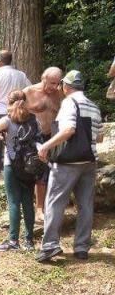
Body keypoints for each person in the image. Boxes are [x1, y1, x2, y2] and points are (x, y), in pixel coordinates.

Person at [36, 70, 103, 263]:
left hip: (67, 162)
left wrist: (46, 146)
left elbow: (68, 129)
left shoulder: (69, 103)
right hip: (89, 162)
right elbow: (99, 136)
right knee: (85, 205)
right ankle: (82, 247)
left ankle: (50, 246)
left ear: (66, 86)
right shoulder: (94, 106)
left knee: (55, 202)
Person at [0, 90, 40, 251]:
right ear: (25, 101)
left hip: (12, 164)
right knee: (28, 202)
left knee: (13, 202)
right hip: (30, 165)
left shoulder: (8, 120)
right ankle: (29, 241)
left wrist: (0, 137)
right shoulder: (33, 118)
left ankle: (13, 241)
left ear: (8, 102)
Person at [24, 67, 63, 219]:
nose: (54, 87)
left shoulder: (60, 93)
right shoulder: (29, 91)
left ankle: (44, 206)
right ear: (43, 78)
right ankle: (36, 207)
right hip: (32, 137)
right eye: (51, 83)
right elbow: (12, 109)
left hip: (52, 136)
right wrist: (32, 108)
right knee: (34, 172)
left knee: (49, 173)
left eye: (57, 83)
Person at [0, 50, 31, 183]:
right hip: (18, 112)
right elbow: (29, 89)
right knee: (17, 140)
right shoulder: (21, 74)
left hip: (0, 111)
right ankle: (18, 170)